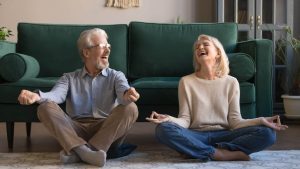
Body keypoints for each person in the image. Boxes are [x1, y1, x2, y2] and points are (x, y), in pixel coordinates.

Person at [146, 34, 288, 162]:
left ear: (218, 53)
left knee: (268, 133)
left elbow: (235, 121)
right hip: (196, 134)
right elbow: (185, 120)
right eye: (197, 47)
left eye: (205, 44)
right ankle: (221, 154)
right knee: (162, 130)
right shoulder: (186, 82)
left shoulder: (231, 82)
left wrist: (261, 120)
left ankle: (197, 151)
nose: (200, 47)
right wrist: (168, 119)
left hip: (225, 134)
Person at [18, 28, 140, 167]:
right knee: (45, 107)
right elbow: (56, 95)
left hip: (106, 130)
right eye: (102, 47)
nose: (107, 51)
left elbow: (123, 94)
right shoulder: (69, 78)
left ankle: (79, 152)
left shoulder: (116, 76)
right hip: (75, 130)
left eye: (108, 47)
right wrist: (37, 96)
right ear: (86, 52)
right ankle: (86, 152)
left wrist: (128, 95)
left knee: (130, 108)